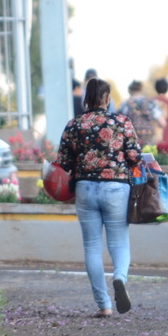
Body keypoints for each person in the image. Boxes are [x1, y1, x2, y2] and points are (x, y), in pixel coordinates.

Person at [55, 78, 142, 317]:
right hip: (116, 188)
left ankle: (103, 306)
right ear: (107, 97)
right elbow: (135, 157)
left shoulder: (75, 124)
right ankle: (119, 278)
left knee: (92, 247)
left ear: (86, 97)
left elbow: (63, 162)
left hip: (84, 188)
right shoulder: (121, 122)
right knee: (119, 243)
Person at [118, 80, 164, 146]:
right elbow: (162, 123)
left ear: (129, 91)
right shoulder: (150, 103)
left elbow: (119, 123)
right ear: (141, 89)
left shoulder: (125, 104)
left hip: (131, 140)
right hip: (148, 140)